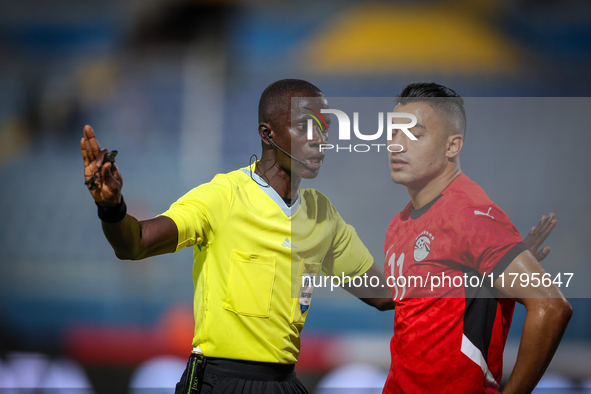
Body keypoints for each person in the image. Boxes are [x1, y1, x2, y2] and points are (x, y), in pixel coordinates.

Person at [80, 79, 395, 394]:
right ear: (266, 133)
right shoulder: (223, 197)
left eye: (324, 127)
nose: (319, 139)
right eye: (304, 126)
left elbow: (382, 294)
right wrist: (112, 208)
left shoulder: (322, 215)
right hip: (219, 383)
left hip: (284, 385)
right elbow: (136, 243)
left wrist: (439, 272)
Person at [382, 82, 572, 393]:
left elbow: (552, 308)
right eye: (393, 133)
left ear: (452, 146)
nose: (396, 145)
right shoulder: (398, 224)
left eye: (414, 134)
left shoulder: (470, 214)